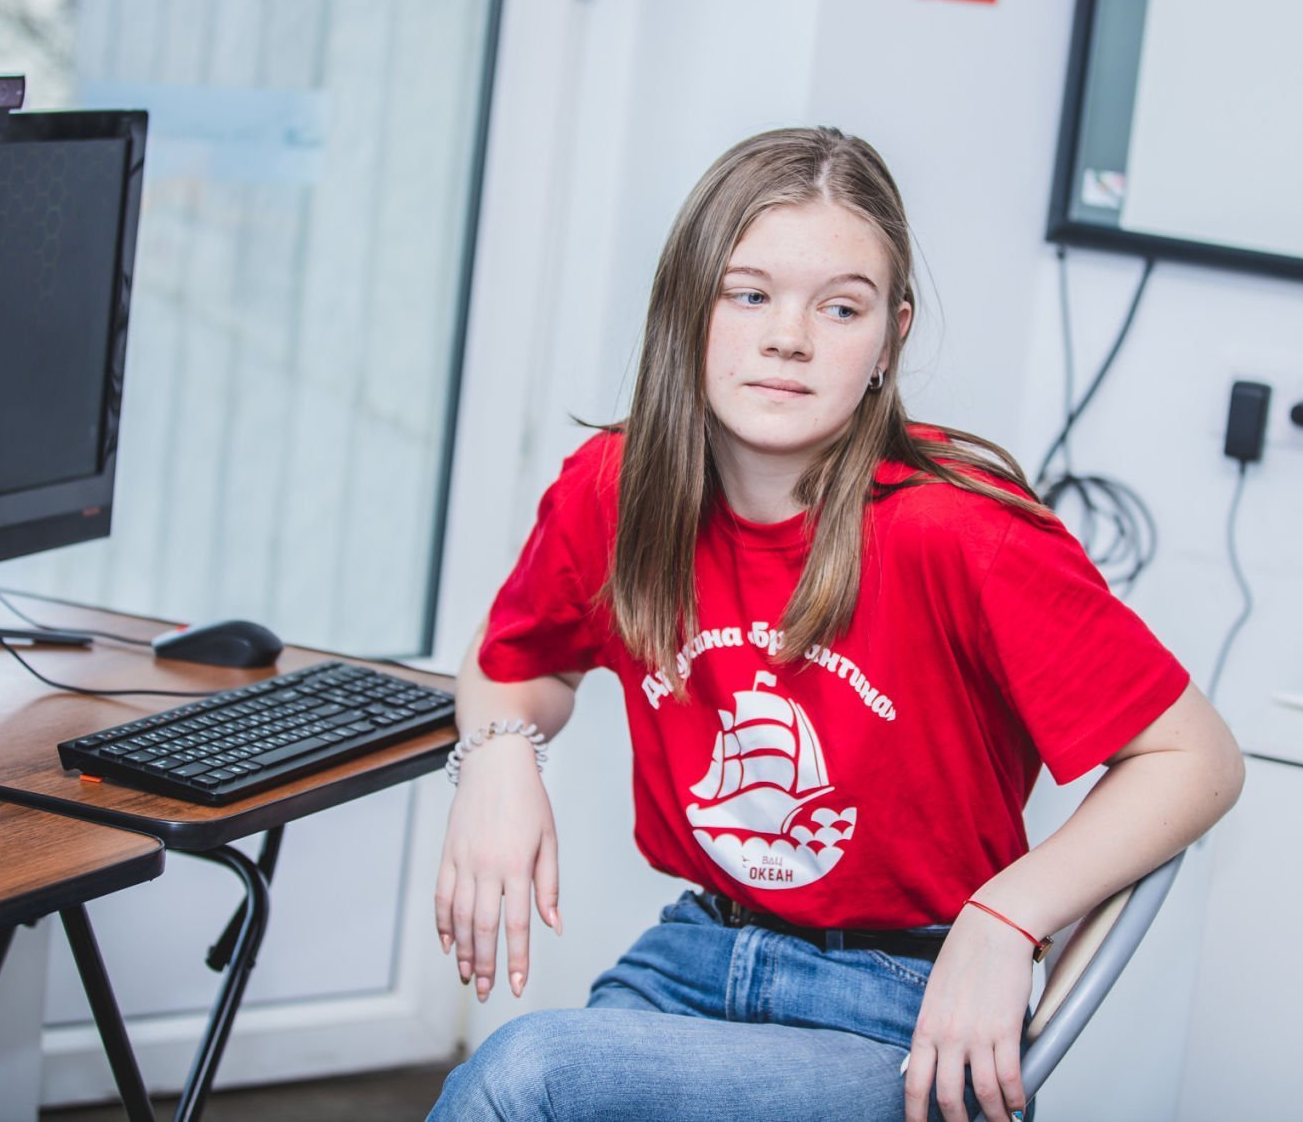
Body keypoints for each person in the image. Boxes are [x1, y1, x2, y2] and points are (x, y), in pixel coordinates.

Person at [426, 127, 1244, 1122]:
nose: (788, 338)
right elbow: (517, 663)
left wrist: (1007, 915)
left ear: (889, 339)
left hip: (898, 1002)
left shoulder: (960, 532)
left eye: (840, 307)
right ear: (684, 305)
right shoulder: (617, 489)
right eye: (748, 294)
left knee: (531, 1075)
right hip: (694, 952)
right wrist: (497, 755)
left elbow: (1195, 758)